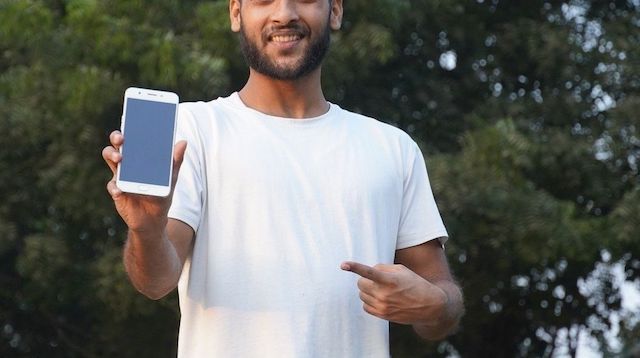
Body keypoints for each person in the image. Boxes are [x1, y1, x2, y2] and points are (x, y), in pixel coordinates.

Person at [102, 0, 464, 356]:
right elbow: (155, 282)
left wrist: (435, 305)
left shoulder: (393, 149)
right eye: (263, 0)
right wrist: (146, 231)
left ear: (335, 10)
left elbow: (441, 298)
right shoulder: (192, 131)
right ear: (236, 12)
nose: (285, 13)